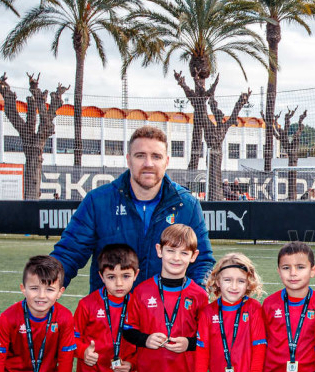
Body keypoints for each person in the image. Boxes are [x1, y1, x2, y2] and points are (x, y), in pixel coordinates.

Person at [50, 125, 214, 293]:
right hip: (111, 309)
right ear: (128, 159)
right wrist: (44, 286)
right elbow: (68, 254)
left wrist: (197, 298)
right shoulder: (98, 201)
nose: (148, 163)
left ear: (166, 161)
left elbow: (202, 262)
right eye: (140, 155)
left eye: (156, 156)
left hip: (166, 309)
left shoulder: (187, 205)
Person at [122, 224, 207, 372]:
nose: (176, 258)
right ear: (159, 250)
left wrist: (189, 343)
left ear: (194, 256)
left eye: (184, 253)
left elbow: (208, 338)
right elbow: (128, 330)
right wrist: (146, 340)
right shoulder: (141, 291)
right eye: (171, 251)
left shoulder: (199, 295)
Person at [70, 244, 138, 372]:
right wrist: (83, 351)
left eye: (125, 276)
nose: (119, 283)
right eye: (111, 277)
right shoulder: (87, 305)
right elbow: (71, 340)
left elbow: (144, 347)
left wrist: (132, 364)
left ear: (136, 275)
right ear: (101, 277)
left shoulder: (139, 306)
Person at [260, 242, 315, 372]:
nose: (293, 273)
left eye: (300, 267)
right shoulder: (269, 304)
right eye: (286, 268)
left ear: (313, 271)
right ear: (279, 271)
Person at [194, 253, 267, 372]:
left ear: (248, 283)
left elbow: (259, 352)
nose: (234, 286)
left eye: (241, 281)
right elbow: (201, 355)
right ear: (218, 281)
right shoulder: (208, 312)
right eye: (228, 280)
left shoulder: (254, 309)